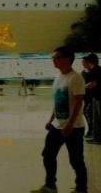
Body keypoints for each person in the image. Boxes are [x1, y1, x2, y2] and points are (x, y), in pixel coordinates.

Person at [31, 46, 87, 193]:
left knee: (76, 160)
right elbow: (58, 102)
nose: (53, 61)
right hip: (57, 126)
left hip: (74, 128)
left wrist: (70, 124)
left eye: (57, 58)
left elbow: (78, 102)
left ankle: (81, 189)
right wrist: (51, 120)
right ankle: (50, 186)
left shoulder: (76, 78)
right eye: (53, 58)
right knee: (48, 154)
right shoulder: (58, 77)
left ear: (67, 59)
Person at [81, 53, 100, 144]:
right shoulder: (92, 70)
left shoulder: (97, 70)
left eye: (85, 60)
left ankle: (97, 137)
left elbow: (93, 83)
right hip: (95, 98)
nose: (83, 63)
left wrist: (81, 88)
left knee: (98, 118)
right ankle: (97, 137)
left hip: (98, 97)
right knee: (96, 118)